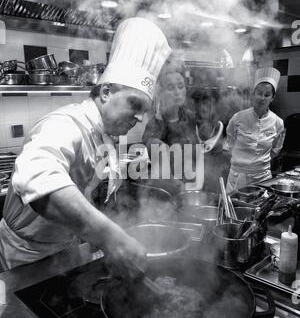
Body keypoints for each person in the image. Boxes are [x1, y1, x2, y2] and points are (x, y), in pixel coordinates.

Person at [0, 17, 171, 272]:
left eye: (144, 111)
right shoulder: (65, 124)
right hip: (25, 257)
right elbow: (36, 178)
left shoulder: (104, 135)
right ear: (106, 92)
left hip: (64, 252)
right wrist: (111, 238)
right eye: (135, 105)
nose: (139, 118)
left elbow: (86, 191)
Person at [142, 57, 198, 192]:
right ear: (160, 92)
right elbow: (161, 175)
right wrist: (181, 188)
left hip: (191, 188)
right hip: (165, 198)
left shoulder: (189, 118)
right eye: (171, 88)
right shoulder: (154, 127)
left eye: (180, 86)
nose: (178, 92)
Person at [225, 67, 285, 193]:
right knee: (234, 210)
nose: (262, 98)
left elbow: (275, 150)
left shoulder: (278, 123)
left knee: (261, 211)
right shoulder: (238, 118)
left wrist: (258, 165)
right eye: (259, 93)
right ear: (253, 94)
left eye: (267, 95)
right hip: (238, 177)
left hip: (262, 178)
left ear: (272, 98)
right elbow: (230, 143)